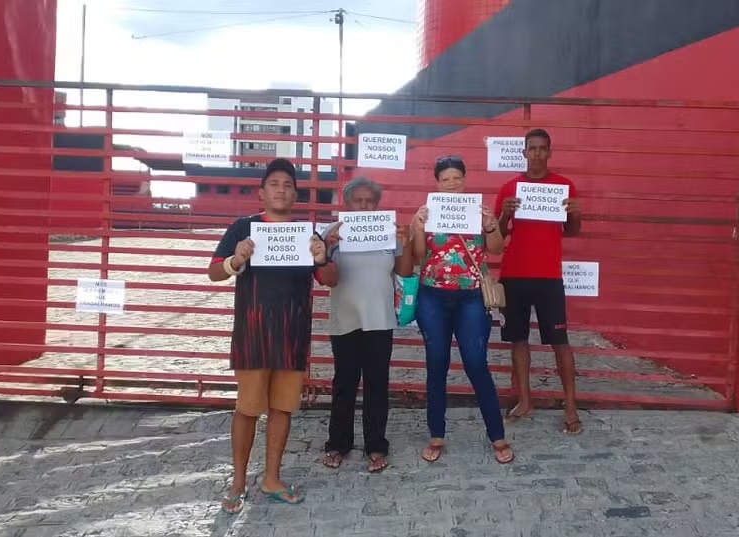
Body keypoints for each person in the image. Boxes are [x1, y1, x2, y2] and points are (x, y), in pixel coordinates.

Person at [207, 157, 337, 513]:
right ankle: (238, 481)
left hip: (292, 336)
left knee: (283, 408)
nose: (281, 190)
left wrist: (322, 258)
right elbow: (213, 272)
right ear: (261, 192)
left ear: (295, 194)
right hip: (252, 336)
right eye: (274, 184)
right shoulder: (243, 228)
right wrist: (236, 260)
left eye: (288, 185)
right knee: (247, 409)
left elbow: (331, 280)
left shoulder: (306, 234)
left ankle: (272, 478)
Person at [409, 156, 514, 465]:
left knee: (476, 363)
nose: (452, 183)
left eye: (457, 178)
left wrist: (491, 225)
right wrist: (417, 227)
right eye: (446, 179)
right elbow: (417, 255)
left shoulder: (478, 211)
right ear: (437, 183)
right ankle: (436, 434)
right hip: (432, 296)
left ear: (465, 179)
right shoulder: (427, 212)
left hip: (472, 297)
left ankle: (497, 434)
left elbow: (497, 249)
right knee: (436, 363)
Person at [320, 177, 414, 473]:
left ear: (377, 204)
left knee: (377, 383)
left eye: (369, 201)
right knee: (344, 383)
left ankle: (376, 446)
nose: (364, 205)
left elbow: (405, 271)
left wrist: (406, 244)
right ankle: (338, 444)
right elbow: (325, 278)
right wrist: (327, 247)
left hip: (380, 318)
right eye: (357, 201)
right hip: (345, 317)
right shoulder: (331, 232)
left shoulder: (389, 232)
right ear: (346, 204)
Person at [495, 128, 584, 435]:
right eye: (531, 148)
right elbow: (497, 236)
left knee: (560, 341)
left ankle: (570, 406)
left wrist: (575, 214)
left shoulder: (564, 186)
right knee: (518, 340)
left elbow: (572, 231)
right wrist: (504, 215)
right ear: (524, 152)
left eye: (542, 148)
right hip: (514, 274)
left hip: (549, 276)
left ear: (549, 152)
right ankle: (525, 400)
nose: (536, 153)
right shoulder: (509, 188)